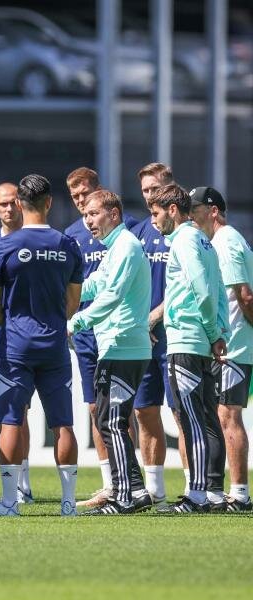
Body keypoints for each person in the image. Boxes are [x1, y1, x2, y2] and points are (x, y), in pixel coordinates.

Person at [0, 174, 81, 517]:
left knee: (11, 420)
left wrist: (10, 322)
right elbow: (73, 302)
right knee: (62, 423)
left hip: (14, 345)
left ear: (20, 204)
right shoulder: (67, 245)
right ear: (49, 203)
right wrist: (52, 320)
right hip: (54, 345)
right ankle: (68, 503)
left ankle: (10, 502)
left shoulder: (2, 246)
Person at [68, 190, 153, 515]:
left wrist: (76, 321)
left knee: (113, 421)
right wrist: (64, 288)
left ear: (114, 214)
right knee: (108, 420)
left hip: (124, 346)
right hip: (117, 346)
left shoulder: (126, 246)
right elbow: (94, 285)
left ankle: (124, 496)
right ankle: (136, 490)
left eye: (94, 214)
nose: (88, 221)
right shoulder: (115, 248)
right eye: (85, 216)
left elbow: (114, 294)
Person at [149, 183, 229, 513]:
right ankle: (214, 493)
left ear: (172, 210)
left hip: (186, 339)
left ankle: (196, 495)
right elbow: (216, 290)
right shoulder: (203, 240)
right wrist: (218, 332)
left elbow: (203, 290)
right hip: (201, 340)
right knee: (208, 418)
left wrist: (212, 332)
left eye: (156, 213)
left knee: (192, 419)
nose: (153, 220)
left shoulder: (184, 240)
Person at [189, 186, 252, 512]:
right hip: (232, 345)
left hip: (234, 347)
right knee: (223, 415)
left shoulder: (226, 242)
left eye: (196, 209)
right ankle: (227, 490)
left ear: (213, 211)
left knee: (229, 416)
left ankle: (239, 494)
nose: (191, 215)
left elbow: (245, 295)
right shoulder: (224, 240)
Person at [130, 162, 183, 504]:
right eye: (145, 190)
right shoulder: (139, 232)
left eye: (155, 188)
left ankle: (195, 490)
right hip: (144, 337)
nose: (150, 195)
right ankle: (156, 493)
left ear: (170, 186)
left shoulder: (186, 232)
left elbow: (185, 285)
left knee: (182, 415)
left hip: (177, 336)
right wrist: (140, 322)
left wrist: (154, 318)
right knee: (144, 411)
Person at [0, 183, 33, 507]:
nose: (9, 208)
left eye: (13, 202)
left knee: (21, 412)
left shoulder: (34, 240)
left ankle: (23, 485)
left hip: (28, 340)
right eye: (3, 204)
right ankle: (18, 485)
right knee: (11, 413)